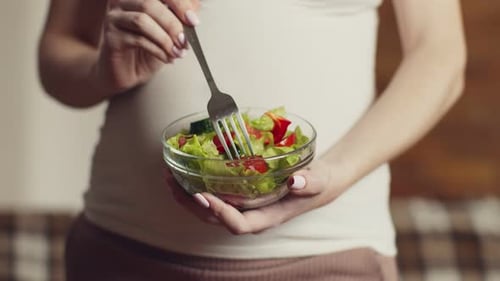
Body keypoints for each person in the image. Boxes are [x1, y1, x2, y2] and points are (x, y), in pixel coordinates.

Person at [38, 0, 466, 280]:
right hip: (123, 251)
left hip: (326, 255)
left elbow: (440, 53)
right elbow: (57, 51)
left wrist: (335, 174)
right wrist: (102, 71)